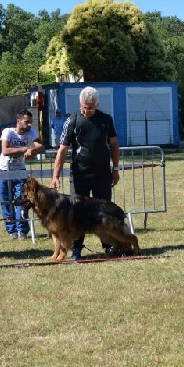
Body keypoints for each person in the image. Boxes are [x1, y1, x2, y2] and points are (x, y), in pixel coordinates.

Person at [51, 86, 121, 259]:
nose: (86, 110)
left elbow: (114, 145)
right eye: (84, 106)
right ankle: (76, 248)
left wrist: (116, 169)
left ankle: (108, 246)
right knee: (76, 213)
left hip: (102, 174)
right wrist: (55, 176)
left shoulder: (106, 119)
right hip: (80, 174)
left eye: (90, 107)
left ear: (96, 104)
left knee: (104, 211)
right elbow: (62, 150)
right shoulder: (72, 121)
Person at [0, 110, 44, 239]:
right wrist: (24, 149)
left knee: (22, 200)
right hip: (4, 169)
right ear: (18, 121)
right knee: (5, 200)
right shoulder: (8, 132)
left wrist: (32, 149)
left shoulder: (31, 133)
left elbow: (40, 146)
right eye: (26, 122)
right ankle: (11, 230)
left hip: (20, 170)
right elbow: (5, 150)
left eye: (30, 122)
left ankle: (22, 230)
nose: (29, 125)